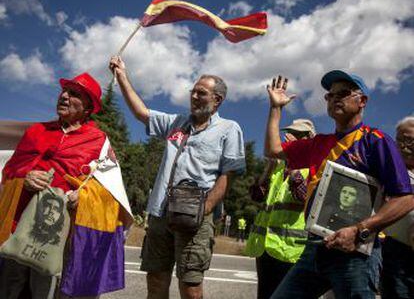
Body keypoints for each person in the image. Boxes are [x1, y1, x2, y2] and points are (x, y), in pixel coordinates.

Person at [264, 71, 414, 298]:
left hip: (357, 253)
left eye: (343, 93)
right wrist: (276, 109)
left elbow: (406, 198)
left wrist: (360, 230)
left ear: (362, 101)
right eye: (329, 95)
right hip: (315, 247)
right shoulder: (319, 143)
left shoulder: (375, 141)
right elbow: (273, 150)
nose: (334, 98)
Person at [109, 56, 246, 299]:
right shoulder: (176, 123)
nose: (194, 97)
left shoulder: (229, 128)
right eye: (193, 92)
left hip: (195, 217)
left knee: (191, 286)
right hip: (161, 213)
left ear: (217, 100)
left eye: (201, 93)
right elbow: (142, 113)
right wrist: (122, 76)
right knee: (156, 278)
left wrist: (205, 209)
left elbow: (227, 174)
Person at [0, 72, 133, 299]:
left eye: (74, 94)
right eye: (64, 91)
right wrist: (26, 178)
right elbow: (10, 171)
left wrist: (83, 198)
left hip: (60, 234)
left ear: (88, 108)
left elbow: (110, 192)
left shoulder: (98, 141)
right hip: (18, 227)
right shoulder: (36, 132)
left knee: (47, 291)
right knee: (9, 289)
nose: (64, 96)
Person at [246, 119, 315, 299]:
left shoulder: (314, 167)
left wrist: (295, 166)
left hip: (293, 249)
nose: (290, 137)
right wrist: (268, 168)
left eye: (298, 135)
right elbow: (256, 196)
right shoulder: (278, 167)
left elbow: (304, 197)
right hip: (266, 247)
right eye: (290, 133)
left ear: (309, 138)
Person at [381, 116, 414, 299]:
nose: (403, 145)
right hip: (396, 254)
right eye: (399, 139)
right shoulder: (387, 171)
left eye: (409, 140)